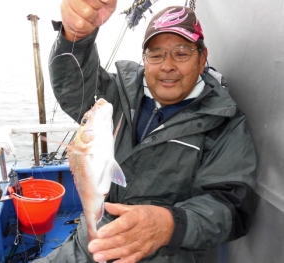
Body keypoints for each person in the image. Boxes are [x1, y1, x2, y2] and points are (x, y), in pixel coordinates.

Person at [36, 1, 257, 263]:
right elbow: (74, 87)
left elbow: (230, 207)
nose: (167, 65)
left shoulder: (225, 123)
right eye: (156, 54)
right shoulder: (117, 94)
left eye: (182, 53)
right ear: (144, 59)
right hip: (91, 244)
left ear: (202, 59)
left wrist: (169, 223)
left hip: (166, 254)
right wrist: (76, 37)